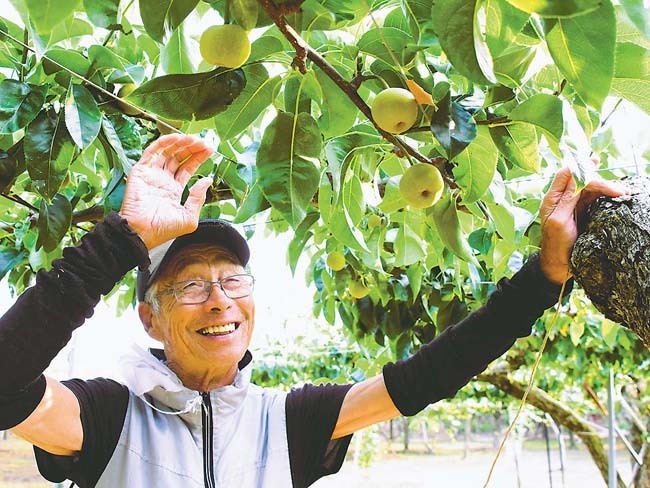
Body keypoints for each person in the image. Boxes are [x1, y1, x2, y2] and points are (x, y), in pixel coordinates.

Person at [0, 134, 626, 487]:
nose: (220, 299)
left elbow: (429, 375)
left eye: (232, 279)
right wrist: (121, 239)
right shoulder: (110, 418)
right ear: (149, 319)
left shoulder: (290, 422)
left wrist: (545, 278)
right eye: (190, 285)